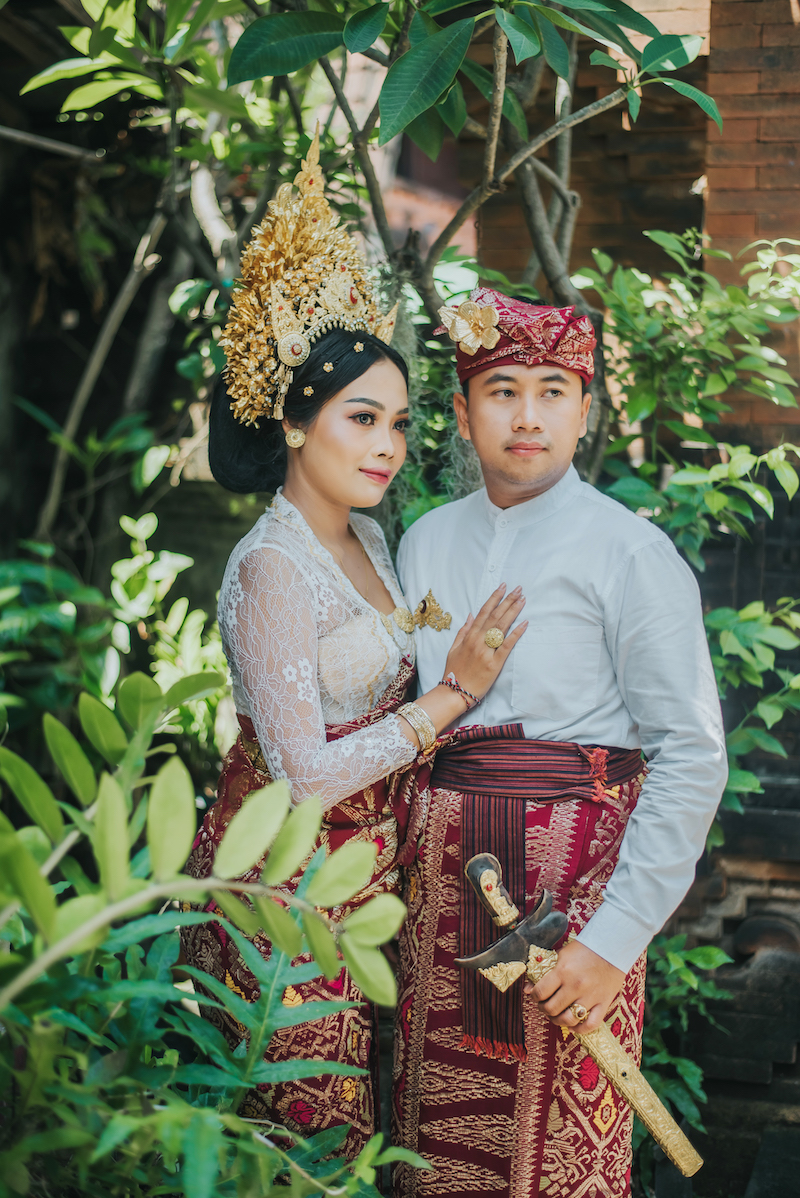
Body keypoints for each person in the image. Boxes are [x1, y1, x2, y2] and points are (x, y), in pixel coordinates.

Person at [180, 140, 526, 1160]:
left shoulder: (368, 537)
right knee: (300, 1134)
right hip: (284, 888)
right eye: (361, 418)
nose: (387, 445)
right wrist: (451, 698)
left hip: (372, 879)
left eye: (398, 423)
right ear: (295, 423)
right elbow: (303, 774)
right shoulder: (270, 568)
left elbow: (395, 629)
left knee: (371, 1115)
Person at [392, 289, 728, 1198]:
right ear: (463, 411)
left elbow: (692, 753)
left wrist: (612, 941)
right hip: (442, 901)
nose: (527, 416)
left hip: (570, 911)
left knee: (553, 1153)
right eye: (501, 391)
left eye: (552, 391)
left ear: (587, 408)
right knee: (432, 1143)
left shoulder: (631, 554)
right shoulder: (423, 544)